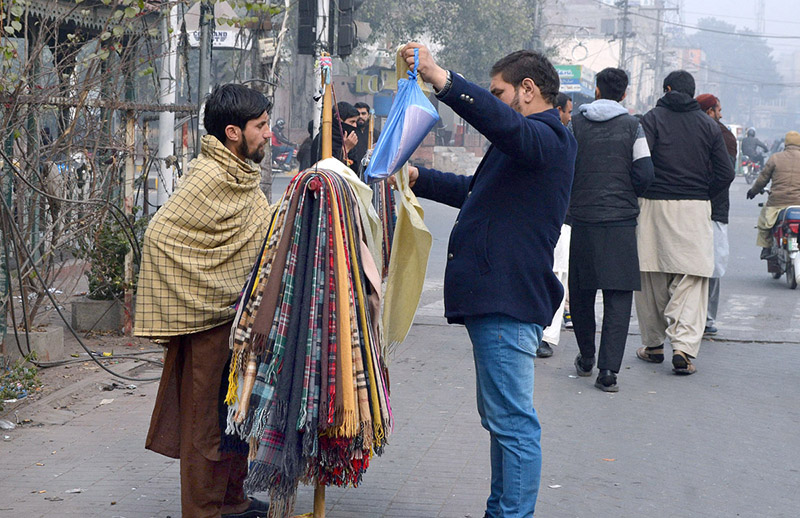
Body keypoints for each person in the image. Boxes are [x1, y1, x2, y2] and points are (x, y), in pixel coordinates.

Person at [399, 42, 576, 517]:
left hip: (507, 298)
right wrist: (419, 177)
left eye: (498, 92)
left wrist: (443, 78)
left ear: (528, 89)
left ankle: (510, 514)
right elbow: (474, 193)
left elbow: (502, 124)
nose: (495, 100)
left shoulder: (547, 137)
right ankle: (501, 509)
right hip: (497, 299)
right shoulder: (522, 146)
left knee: (513, 423)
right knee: (502, 420)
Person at [136, 84, 273, 518]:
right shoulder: (209, 176)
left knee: (236, 414)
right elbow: (160, 237)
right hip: (206, 322)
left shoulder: (241, 175)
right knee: (206, 426)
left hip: (237, 320)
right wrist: (203, 291)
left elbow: (256, 235)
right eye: (261, 126)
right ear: (234, 132)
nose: (269, 134)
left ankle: (232, 500)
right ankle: (202, 510)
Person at [635, 70, 735, 375]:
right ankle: (683, 348)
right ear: (692, 94)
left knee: (651, 276)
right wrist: (703, 192)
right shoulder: (708, 125)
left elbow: (640, 162)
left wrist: (646, 190)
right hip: (694, 207)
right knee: (691, 279)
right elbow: (726, 172)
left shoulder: (650, 119)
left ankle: (653, 346)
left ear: (666, 89)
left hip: (653, 205)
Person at [568, 67, 654, 391]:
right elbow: (645, 173)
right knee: (618, 297)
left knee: (582, 292)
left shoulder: (575, 124)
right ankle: (608, 373)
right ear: (625, 94)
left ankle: (587, 357)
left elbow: (564, 166)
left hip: (584, 219)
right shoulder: (634, 127)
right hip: (620, 222)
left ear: (596, 90)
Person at [696, 94, 737, 336]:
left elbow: (725, 174)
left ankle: (708, 319)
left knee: (713, 267)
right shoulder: (695, 132)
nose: (721, 114)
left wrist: (704, 194)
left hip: (713, 210)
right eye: (718, 110)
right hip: (697, 207)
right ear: (709, 111)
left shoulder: (726, 137)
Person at [539, 93, 574, 359]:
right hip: (559, 219)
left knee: (556, 272)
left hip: (559, 219)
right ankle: (545, 334)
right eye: (568, 111)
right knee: (556, 272)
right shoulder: (558, 139)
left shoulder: (564, 138)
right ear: (558, 109)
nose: (570, 116)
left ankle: (546, 334)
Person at [747, 131, 800, 258]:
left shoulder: (775, 158)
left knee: (763, 223)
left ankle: (766, 247)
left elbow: (762, 179)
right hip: (798, 203)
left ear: (785, 143)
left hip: (776, 203)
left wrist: (753, 192)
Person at [311, 101, 360, 170]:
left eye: (356, 122)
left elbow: (355, 169)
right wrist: (345, 149)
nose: (355, 126)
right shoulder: (324, 139)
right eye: (352, 122)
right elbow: (327, 169)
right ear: (339, 120)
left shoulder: (348, 139)